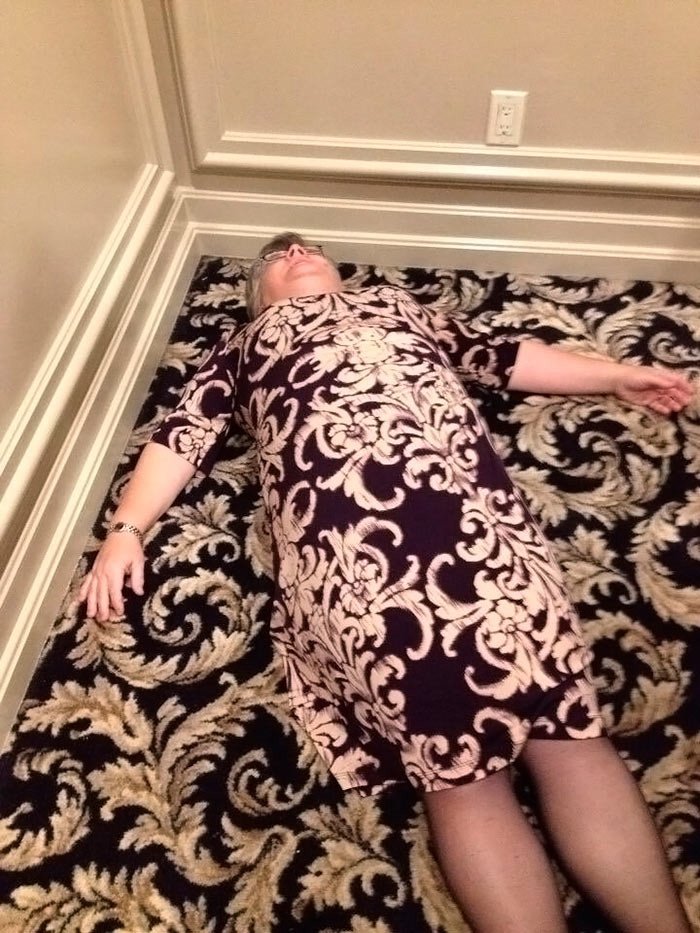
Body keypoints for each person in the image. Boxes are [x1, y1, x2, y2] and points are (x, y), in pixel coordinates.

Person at [80, 232, 693, 932]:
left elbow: (501, 355)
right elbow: (184, 433)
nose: (297, 252)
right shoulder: (244, 347)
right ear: (255, 299)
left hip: (484, 536)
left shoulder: (396, 305)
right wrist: (126, 529)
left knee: (572, 740)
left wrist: (614, 375)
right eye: (277, 257)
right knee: (461, 776)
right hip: (356, 564)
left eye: (308, 247)